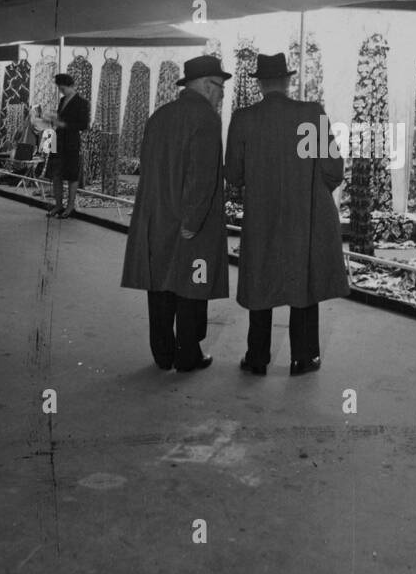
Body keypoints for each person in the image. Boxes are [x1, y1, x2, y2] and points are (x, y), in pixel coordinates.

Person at [225, 53, 350, 376]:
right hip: (304, 214)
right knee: (303, 280)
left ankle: (257, 359)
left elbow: (234, 175)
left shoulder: (243, 118)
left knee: (260, 280)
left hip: (261, 214)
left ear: (261, 84)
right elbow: (334, 168)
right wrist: (309, 191)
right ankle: (303, 358)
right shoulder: (311, 113)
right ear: (287, 80)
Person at [121, 55, 230, 372]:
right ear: (207, 85)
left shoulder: (160, 116)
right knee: (193, 287)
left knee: (161, 285)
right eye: (220, 87)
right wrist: (193, 221)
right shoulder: (207, 119)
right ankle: (188, 355)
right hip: (189, 223)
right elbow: (203, 176)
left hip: (156, 218)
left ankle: (163, 353)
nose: (222, 94)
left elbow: (148, 168)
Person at [45, 73, 90, 218]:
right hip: (58, 139)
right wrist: (54, 118)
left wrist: (63, 124)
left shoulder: (82, 102)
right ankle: (58, 205)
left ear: (70, 85)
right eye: (59, 88)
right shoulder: (63, 100)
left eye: (62, 88)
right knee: (56, 174)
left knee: (71, 175)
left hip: (71, 140)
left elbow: (83, 125)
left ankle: (70, 207)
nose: (61, 91)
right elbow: (60, 119)